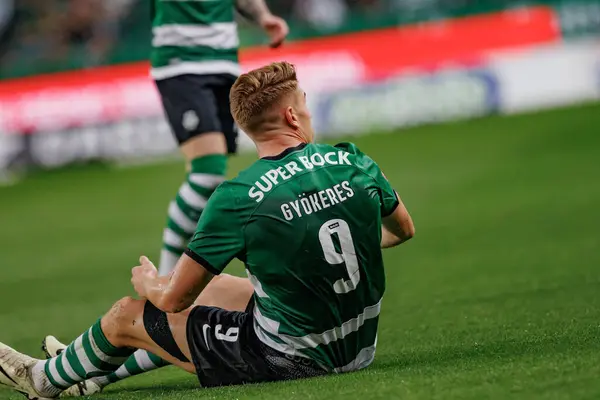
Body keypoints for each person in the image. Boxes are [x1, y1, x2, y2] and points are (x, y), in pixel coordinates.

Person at [0, 61, 415, 399]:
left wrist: (148, 283)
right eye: (303, 103)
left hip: (293, 358)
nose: (304, 110)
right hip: (359, 345)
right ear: (291, 115)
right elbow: (402, 230)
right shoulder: (352, 161)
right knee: (215, 290)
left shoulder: (239, 196)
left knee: (129, 314)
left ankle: (42, 380)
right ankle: (88, 376)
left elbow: (175, 300)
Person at [31, 1, 289, 396]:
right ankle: (167, 282)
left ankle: (93, 373)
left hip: (222, 60)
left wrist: (263, 16)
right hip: (181, 61)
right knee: (206, 173)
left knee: (216, 178)